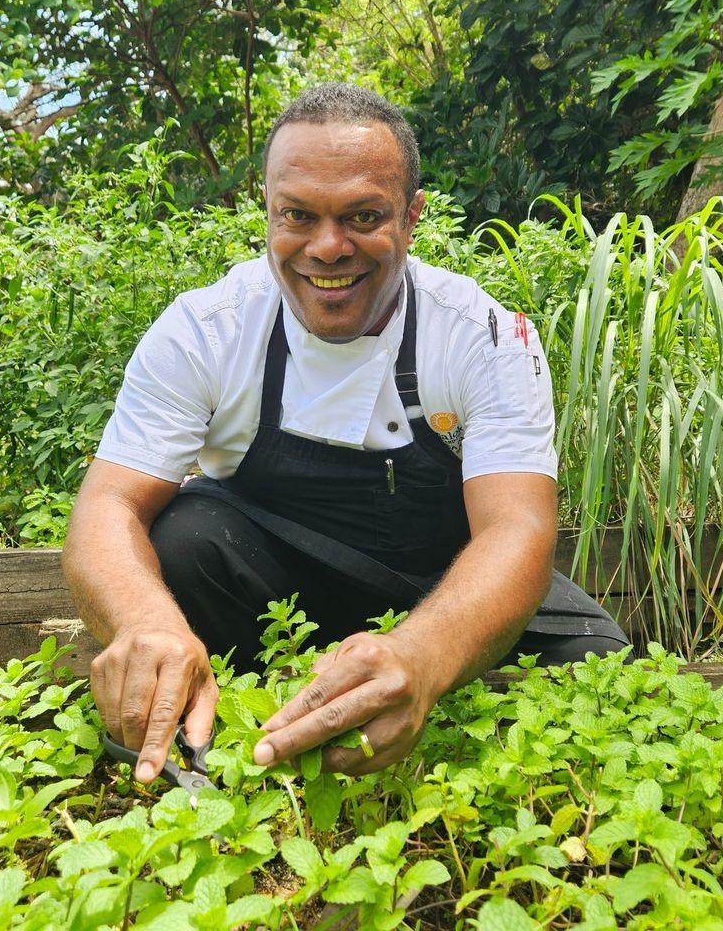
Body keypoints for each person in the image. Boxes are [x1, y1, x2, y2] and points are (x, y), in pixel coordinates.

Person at [62, 82, 628, 784]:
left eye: (363, 216)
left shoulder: (484, 336)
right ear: (267, 213)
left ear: (413, 216)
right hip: (267, 577)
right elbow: (106, 506)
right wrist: (146, 623)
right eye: (297, 215)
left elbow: (517, 531)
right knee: (182, 541)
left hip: (440, 580)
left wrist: (419, 656)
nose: (328, 248)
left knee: (594, 660)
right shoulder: (205, 330)